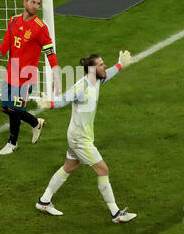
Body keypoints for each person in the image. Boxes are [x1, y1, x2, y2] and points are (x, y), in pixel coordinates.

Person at [35, 50, 137, 223]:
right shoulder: (81, 87)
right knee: (103, 170)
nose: (104, 67)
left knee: (70, 166)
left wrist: (120, 64)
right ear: (92, 69)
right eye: (101, 65)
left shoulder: (96, 80)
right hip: (80, 139)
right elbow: (64, 100)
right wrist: (50, 104)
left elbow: (108, 74)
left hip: (78, 136)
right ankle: (116, 213)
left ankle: (44, 201)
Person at [0, 0, 61, 155]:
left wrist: (56, 73)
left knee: (15, 109)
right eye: (33, 2)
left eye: (38, 4)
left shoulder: (40, 28)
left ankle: (12, 143)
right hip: (10, 72)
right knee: (6, 108)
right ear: (24, 2)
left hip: (26, 76)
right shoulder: (13, 21)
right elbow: (7, 42)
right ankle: (36, 123)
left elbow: (50, 51)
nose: (35, 6)